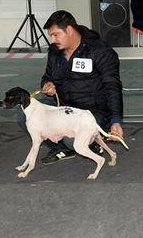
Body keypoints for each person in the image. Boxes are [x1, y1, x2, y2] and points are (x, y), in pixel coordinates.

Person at [17, 10, 124, 165]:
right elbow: (47, 76)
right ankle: (64, 148)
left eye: (56, 34)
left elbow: (112, 86)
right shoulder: (54, 52)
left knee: (70, 138)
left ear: (69, 30)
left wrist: (115, 120)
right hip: (64, 108)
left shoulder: (100, 51)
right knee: (23, 113)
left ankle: (89, 142)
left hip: (94, 111)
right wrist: (47, 85)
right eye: (51, 36)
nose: (52, 40)